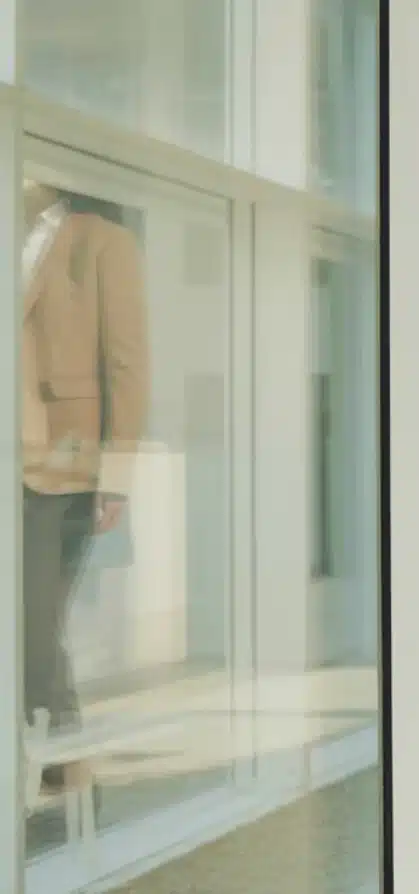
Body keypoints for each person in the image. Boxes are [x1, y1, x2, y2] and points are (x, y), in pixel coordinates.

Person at [20, 178, 149, 796]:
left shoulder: (102, 241)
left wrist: (116, 478)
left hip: (60, 465)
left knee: (31, 625)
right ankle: (59, 774)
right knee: (30, 628)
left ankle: (65, 776)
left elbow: (128, 363)